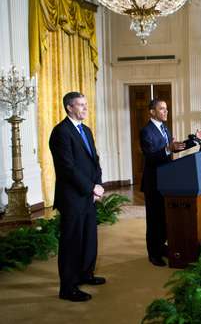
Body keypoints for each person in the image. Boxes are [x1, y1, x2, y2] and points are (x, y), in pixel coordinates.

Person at [49, 92, 105, 302]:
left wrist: (97, 184)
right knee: (72, 242)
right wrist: (91, 187)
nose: (85, 108)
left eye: (86, 104)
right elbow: (67, 168)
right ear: (69, 108)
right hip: (72, 197)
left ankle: (85, 274)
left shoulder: (86, 130)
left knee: (89, 237)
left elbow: (94, 160)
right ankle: (68, 287)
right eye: (80, 105)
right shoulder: (61, 132)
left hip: (88, 195)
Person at [140, 98, 201, 266]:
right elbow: (150, 157)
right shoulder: (146, 131)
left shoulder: (165, 128)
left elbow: (175, 147)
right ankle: (153, 254)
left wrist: (195, 139)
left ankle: (162, 246)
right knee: (154, 219)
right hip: (153, 182)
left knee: (164, 218)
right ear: (152, 112)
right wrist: (168, 148)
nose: (166, 112)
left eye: (166, 109)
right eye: (162, 109)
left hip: (168, 180)